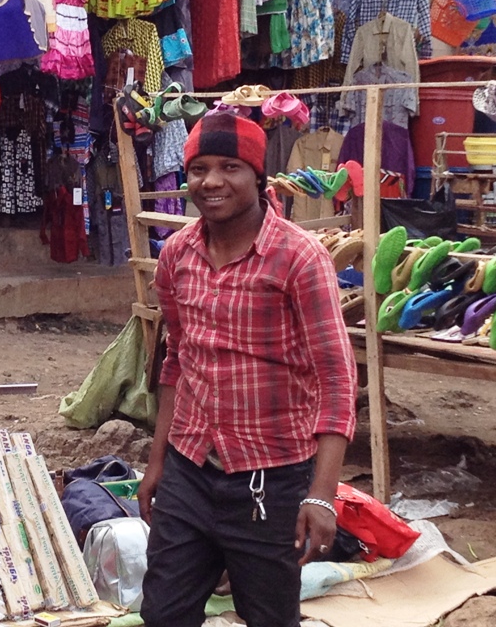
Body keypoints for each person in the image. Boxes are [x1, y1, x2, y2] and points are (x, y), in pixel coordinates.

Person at [138, 113, 357, 627]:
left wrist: (321, 495)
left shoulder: (298, 259)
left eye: (229, 167)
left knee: (269, 617)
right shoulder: (176, 257)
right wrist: (157, 463)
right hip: (189, 470)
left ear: (258, 177)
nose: (211, 181)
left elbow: (337, 379)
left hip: (270, 478)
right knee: (163, 614)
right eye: (198, 169)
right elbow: (177, 362)